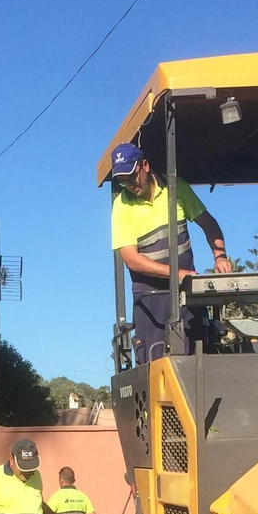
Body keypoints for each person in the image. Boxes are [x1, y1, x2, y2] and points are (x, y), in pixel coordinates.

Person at [109, 141, 234, 364]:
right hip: (150, 295)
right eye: (122, 180)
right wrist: (177, 274)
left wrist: (220, 256)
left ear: (144, 166)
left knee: (196, 353)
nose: (129, 184)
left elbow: (209, 224)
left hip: (186, 290)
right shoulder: (121, 206)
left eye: (131, 176)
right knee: (153, 359)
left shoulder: (176, 188)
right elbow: (131, 259)